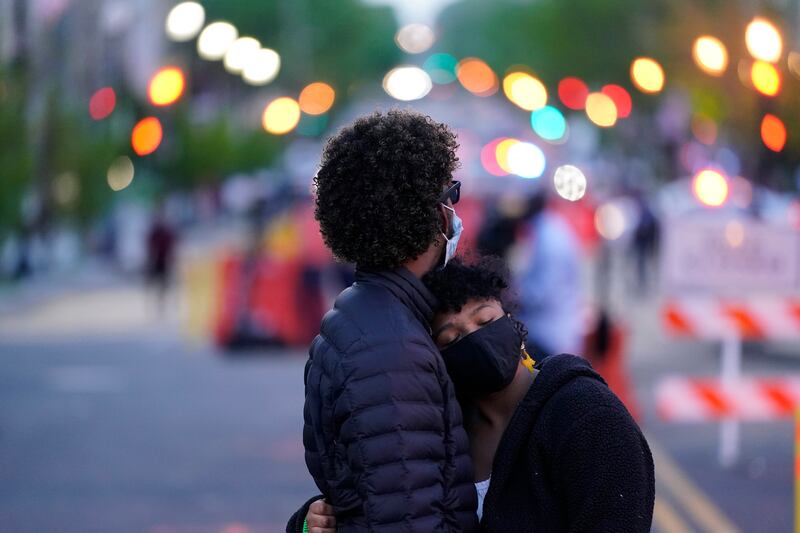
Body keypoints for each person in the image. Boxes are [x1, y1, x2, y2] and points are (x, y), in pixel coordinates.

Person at [304, 257, 655, 532]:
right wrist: (308, 523)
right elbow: (380, 503)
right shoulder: (438, 426)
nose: (475, 338)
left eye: (485, 321)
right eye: (451, 338)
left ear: (512, 321)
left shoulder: (586, 415)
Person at [287, 111, 479, 532]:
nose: (452, 212)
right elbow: (407, 517)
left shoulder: (357, 316)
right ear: (430, 215)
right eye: (449, 195)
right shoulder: (393, 351)